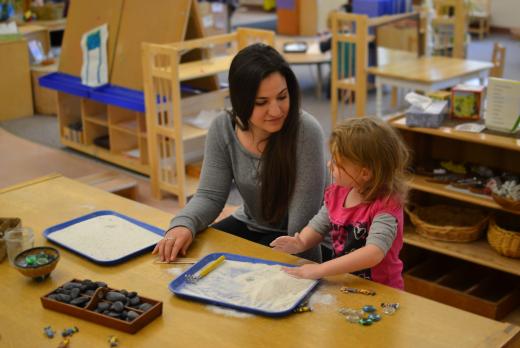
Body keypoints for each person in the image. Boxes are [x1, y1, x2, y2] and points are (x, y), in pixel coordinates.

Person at [153, 43, 328, 263]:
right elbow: (210, 196)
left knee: (238, 275)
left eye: (282, 97)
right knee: (192, 255)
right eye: (261, 102)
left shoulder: (306, 131)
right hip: (252, 224)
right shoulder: (223, 127)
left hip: (306, 237)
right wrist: (182, 224)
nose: (276, 111)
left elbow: (300, 230)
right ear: (241, 102)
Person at [270, 117, 410, 289]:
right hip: (345, 283)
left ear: (364, 173)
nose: (330, 164)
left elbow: (374, 253)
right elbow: (320, 224)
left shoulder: (386, 205)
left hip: (382, 290)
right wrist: (301, 242)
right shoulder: (338, 192)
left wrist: (320, 269)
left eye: (337, 163)